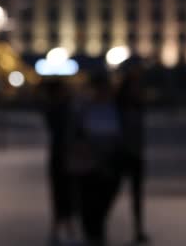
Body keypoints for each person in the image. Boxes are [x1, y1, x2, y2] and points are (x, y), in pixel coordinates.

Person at [70, 74, 124, 246]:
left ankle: (97, 229)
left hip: (110, 158)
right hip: (89, 158)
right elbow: (75, 133)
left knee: (106, 195)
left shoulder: (115, 107)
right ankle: (93, 232)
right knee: (89, 198)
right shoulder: (84, 108)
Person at [117, 59, 150, 244]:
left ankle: (138, 229)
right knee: (111, 191)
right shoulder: (121, 107)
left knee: (137, 194)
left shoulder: (137, 107)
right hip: (122, 153)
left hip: (135, 154)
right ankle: (97, 226)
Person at [42, 79, 77, 244]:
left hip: (61, 154)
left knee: (62, 193)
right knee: (63, 193)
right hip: (63, 154)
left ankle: (62, 229)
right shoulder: (60, 109)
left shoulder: (56, 109)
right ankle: (65, 229)